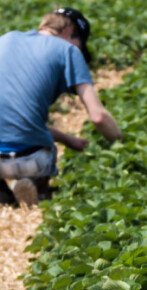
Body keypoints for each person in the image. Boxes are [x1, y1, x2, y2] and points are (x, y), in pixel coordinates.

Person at [0, 7, 121, 206]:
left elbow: (13, 118)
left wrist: (68, 139)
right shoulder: (67, 50)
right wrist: (121, 145)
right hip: (31, 160)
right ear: (68, 32)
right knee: (43, 151)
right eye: (80, 44)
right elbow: (98, 116)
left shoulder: (5, 40)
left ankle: (7, 196)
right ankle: (38, 188)